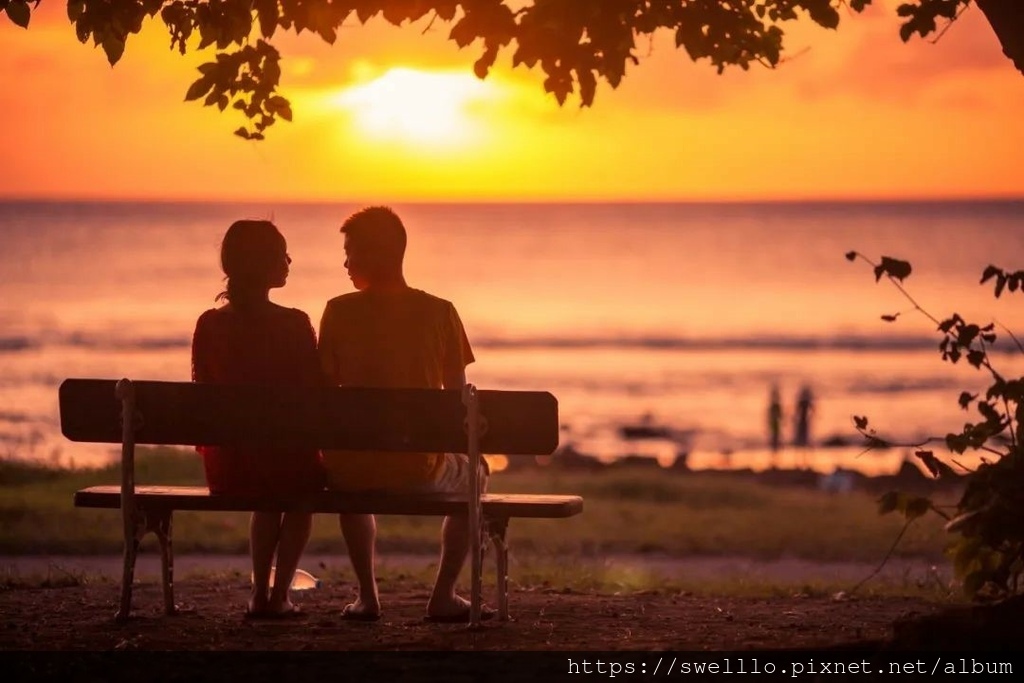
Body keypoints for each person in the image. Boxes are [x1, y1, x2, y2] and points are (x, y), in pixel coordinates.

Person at [318, 206, 487, 623]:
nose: (345, 262)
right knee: (477, 474)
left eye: (350, 252)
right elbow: (456, 400)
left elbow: (320, 396)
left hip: (350, 470)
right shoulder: (441, 312)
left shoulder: (338, 311)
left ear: (374, 256)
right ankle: (444, 594)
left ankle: (367, 597)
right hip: (419, 469)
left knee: (355, 473)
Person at [191, 219, 325, 619]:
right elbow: (313, 396)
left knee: (268, 482)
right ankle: (278, 595)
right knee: (301, 493)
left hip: (229, 467)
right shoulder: (294, 323)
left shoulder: (210, 324)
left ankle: (258, 595)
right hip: (285, 463)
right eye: (281, 254)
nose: (289, 261)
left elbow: (203, 394)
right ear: (263, 264)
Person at [767, 384, 783, 454]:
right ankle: (774, 455)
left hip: (776, 424)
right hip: (774, 424)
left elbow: (780, 416)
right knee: (774, 439)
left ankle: (775, 455)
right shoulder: (774, 406)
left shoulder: (776, 406)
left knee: (775, 439)